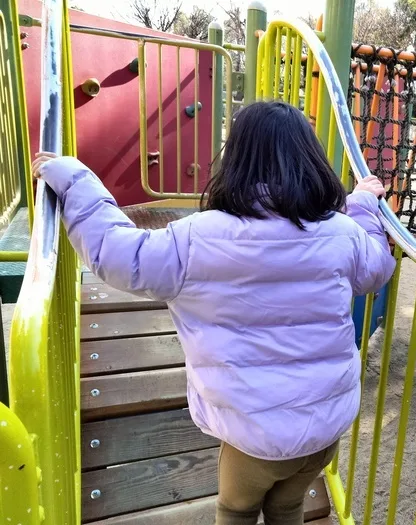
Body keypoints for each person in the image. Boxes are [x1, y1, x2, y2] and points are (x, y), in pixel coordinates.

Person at [32, 101, 396, 525]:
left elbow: (117, 254)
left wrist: (75, 180)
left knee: (236, 509)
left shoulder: (197, 239)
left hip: (252, 436)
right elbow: (376, 269)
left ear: (235, 161)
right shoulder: (341, 231)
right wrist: (364, 207)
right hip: (325, 428)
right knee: (288, 505)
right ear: (311, 161)